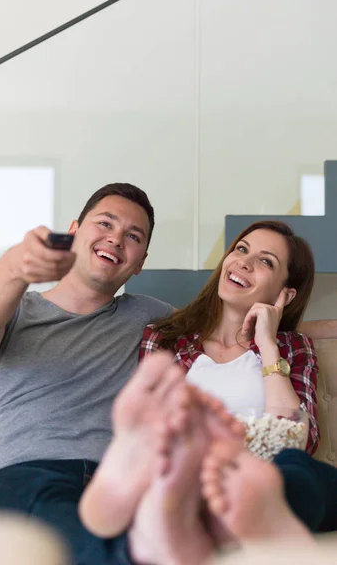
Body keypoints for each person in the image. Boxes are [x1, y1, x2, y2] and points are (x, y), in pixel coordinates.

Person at [0, 185, 336, 564]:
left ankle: (222, 524)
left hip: (122, 484)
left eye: (133, 236)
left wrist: (280, 334)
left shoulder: (149, 319)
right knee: (86, 536)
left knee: (293, 473)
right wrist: (15, 265)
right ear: (73, 230)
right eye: (105, 223)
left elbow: (230, 324)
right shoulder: (14, 308)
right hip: (29, 475)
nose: (116, 239)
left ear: (140, 263)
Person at [80, 220, 337, 544]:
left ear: (284, 294)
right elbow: (151, 432)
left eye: (265, 261)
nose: (244, 261)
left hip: (273, 479)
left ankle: (244, 519)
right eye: (241, 249)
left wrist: (268, 345)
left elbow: (300, 438)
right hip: (198, 480)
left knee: (296, 470)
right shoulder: (165, 340)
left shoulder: (292, 348)